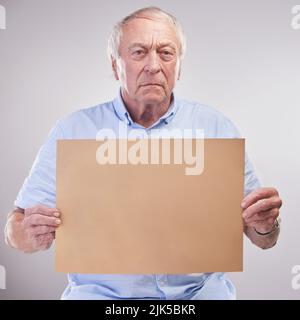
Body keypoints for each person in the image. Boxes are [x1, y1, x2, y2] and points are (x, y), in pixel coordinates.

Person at [4, 6, 282, 300]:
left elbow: (263, 239)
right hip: (103, 298)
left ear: (179, 65)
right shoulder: (74, 130)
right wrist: (28, 234)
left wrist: (266, 226)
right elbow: (15, 229)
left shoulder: (215, 128)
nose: (153, 65)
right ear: (115, 65)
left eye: (166, 53)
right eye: (139, 52)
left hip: (197, 297)